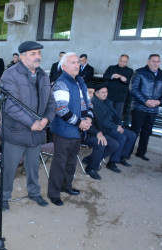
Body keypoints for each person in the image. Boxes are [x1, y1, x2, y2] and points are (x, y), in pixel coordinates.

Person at [0, 41, 56, 211]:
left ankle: (34, 193)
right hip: (15, 132)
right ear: (22, 57)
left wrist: (46, 120)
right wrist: (31, 122)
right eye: (34, 53)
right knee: (10, 169)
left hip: (37, 133)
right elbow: (10, 106)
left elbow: (51, 102)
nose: (38, 57)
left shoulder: (44, 75)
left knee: (33, 166)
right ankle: (4, 197)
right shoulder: (10, 75)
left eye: (39, 53)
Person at [48, 52, 92, 206]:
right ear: (64, 66)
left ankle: (66, 186)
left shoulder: (80, 82)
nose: (77, 65)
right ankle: (53, 193)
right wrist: (80, 123)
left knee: (72, 161)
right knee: (59, 162)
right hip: (64, 131)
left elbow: (88, 103)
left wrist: (89, 119)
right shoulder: (62, 83)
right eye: (73, 62)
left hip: (76, 130)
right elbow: (61, 108)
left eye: (78, 62)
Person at [130, 54, 162, 161]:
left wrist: (159, 102)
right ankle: (126, 153)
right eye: (153, 61)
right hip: (139, 108)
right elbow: (133, 89)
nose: (155, 63)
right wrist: (145, 101)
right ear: (148, 62)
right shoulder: (139, 72)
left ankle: (141, 153)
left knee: (147, 132)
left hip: (153, 110)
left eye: (157, 61)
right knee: (134, 131)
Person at [92, 84, 136, 173]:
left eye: (106, 92)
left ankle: (121, 157)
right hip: (104, 128)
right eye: (103, 92)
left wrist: (120, 124)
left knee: (132, 135)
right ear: (96, 94)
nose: (105, 94)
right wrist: (116, 127)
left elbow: (115, 115)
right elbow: (101, 121)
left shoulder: (107, 101)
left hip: (113, 126)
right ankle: (112, 162)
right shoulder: (95, 103)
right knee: (121, 137)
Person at [81, 83, 119, 180]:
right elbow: (83, 124)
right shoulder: (79, 104)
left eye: (92, 93)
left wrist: (100, 132)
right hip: (82, 134)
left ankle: (90, 159)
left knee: (114, 144)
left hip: (94, 132)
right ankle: (91, 169)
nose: (91, 95)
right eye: (89, 92)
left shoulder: (90, 104)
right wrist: (97, 133)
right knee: (100, 144)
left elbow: (97, 120)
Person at [103, 54, 134, 119]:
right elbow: (104, 76)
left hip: (121, 96)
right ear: (118, 60)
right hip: (109, 95)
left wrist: (125, 80)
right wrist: (112, 76)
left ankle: (117, 127)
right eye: (121, 61)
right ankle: (107, 127)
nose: (122, 63)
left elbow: (132, 82)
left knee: (118, 114)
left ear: (127, 62)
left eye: (124, 61)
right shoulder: (111, 68)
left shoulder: (130, 71)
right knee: (108, 112)